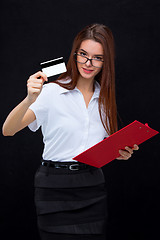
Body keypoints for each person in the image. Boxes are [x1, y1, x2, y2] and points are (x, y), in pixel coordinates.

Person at [2, 23, 139, 240]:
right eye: (83, 54)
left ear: (105, 62)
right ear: (74, 54)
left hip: (92, 185)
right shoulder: (51, 92)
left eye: (97, 57)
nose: (88, 63)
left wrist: (120, 153)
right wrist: (30, 99)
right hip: (53, 185)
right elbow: (8, 130)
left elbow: (97, 146)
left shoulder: (104, 99)